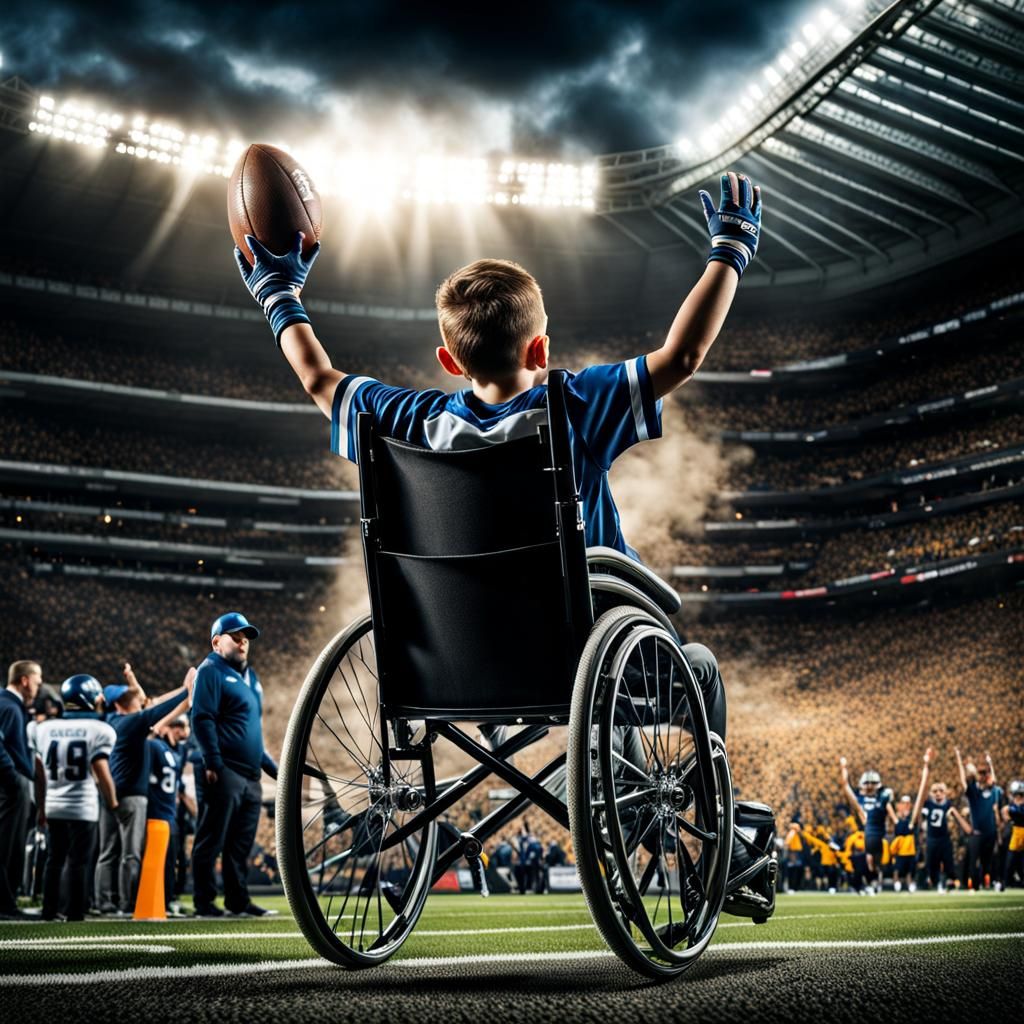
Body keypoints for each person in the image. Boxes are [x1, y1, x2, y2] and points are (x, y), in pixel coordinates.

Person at [233, 170, 773, 911]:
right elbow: (682, 356)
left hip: (448, 665)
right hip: (580, 657)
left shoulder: (407, 420)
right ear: (541, 347)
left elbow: (318, 378)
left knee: (603, 724)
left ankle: (590, 778)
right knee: (699, 669)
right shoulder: (573, 403)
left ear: (449, 360)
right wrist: (729, 251)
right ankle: (718, 848)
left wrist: (278, 294)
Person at [190, 611, 279, 918]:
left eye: (245, 640)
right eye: (236, 638)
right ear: (217, 642)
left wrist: (274, 768)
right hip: (224, 769)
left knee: (240, 844)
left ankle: (238, 901)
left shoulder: (251, 678)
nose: (243, 644)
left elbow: (252, 731)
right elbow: (201, 718)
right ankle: (204, 903)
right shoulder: (210, 671)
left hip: (250, 774)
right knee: (211, 838)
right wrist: (212, 761)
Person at [95, 663, 193, 915]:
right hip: (131, 797)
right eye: (133, 699)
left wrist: (133, 678)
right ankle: (128, 904)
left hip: (108, 794)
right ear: (121, 704)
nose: (139, 701)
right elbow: (159, 707)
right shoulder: (132, 723)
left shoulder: (110, 721)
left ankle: (104, 903)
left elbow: (151, 701)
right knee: (130, 854)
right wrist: (187, 691)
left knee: (107, 853)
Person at [32, 675, 119, 921]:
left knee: (54, 858)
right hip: (83, 805)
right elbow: (100, 769)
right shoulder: (101, 729)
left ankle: (49, 911)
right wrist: (112, 801)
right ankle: (74, 912)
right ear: (89, 698)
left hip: (53, 804)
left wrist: (41, 807)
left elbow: (40, 775)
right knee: (79, 861)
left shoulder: (43, 729)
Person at [0, 660, 43, 919]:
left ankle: (8, 901)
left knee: (12, 846)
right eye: (37, 682)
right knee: (8, 846)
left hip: (12, 784)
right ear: (25, 680)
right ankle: (5, 904)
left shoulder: (10, 705)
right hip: (10, 786)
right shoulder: (8, 706)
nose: (38, 688)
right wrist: (13, 778)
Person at [146, 716, 194, 916]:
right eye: (177, 726)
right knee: (159, 859)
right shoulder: (154, 746)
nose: (181, 731)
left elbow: (177, 783)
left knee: (175, 857)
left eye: (182, 726)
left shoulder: (178, 750)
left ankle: (169, 898)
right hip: (157, 808)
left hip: (171, 810)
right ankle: (155, 900)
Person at [840, 757, 898, 893]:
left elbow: (890, 814)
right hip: (862, 834)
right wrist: (843, 768)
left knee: (875, 862)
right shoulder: (860, 799)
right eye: (867, 783)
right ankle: (868, 882)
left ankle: (874, 879)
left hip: (879, 835)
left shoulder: (883, 798)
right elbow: (845, 785)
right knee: (865, 860)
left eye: (873, 783)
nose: (870, 785)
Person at [955, 748, 1004, 891]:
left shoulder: (993, 791)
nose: (983, 775)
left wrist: (990, 763)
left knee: (989, 860)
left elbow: (994, 781)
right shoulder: (973, 791)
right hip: (977, 833)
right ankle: (974, 885)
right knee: (973, 861)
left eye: (985, 773)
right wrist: (959, 759)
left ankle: (990, 883)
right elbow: (963, 780)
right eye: (981, 773)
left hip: (991, 832)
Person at [890, 748, 932, 893]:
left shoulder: (912, 819)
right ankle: (897, 885)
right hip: (900, 850)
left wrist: (926, 767)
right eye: (904, 803)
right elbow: (889, 808)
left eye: (908, 803)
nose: (906, 806)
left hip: (910, 849)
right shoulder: (897, 819)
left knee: (910, 869)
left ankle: (910, 885)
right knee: (898, 869)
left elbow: (921, 796)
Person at [920, 777, 970, 893]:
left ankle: (950, 882)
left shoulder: (948, 804)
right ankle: (936, 882)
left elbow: (954, 820)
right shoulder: (928, 804)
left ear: (945, 793)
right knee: (932, 862)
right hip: (931, 838)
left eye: (941, 791)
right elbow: (922, 819)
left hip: (945, 838)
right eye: (935, 791)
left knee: (948, 862)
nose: (938, 794)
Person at [1001, 780, 1024, 889]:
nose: (1017, 798)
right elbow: (1006, 816)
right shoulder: (1012, 805)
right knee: (1010, 859)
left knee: (1021, 860)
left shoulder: (1015, 807)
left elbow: (1018, 811)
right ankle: (1005, 881)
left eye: (1019, 795)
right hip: (1016, 832)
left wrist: (1009, 810)